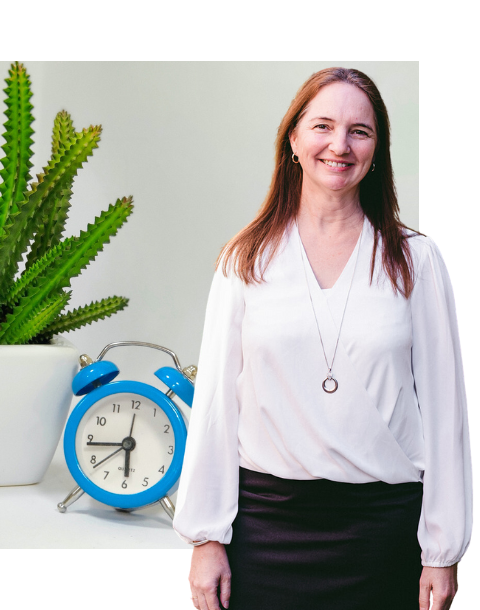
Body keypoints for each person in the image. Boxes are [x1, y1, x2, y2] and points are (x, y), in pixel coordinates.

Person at [172, 67, 471, 610]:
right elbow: (215, 407)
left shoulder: (415, 261)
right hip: (266, 533)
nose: (340, 145)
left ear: (378, 148)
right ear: (293, 138)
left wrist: (443, 550)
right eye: (323, 125)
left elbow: (446, 413)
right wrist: (206, 538)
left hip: (384, 534)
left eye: (360, 131)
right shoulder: (245, 259)